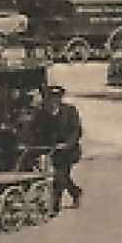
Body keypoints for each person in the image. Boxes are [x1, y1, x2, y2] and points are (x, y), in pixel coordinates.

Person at [28, 84, 84, 212]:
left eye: (57, 97)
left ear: (60, 98)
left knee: (60, 175)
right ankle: (75, 191)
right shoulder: (41, 113)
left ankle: (55, 205)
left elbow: (76, 131)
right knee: (60, 176)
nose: (54, 101)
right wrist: (33, 144)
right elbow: (35, 130)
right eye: (51, 98)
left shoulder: (70, 111)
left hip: (68, 151)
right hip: (49, 148)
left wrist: (67, 144)